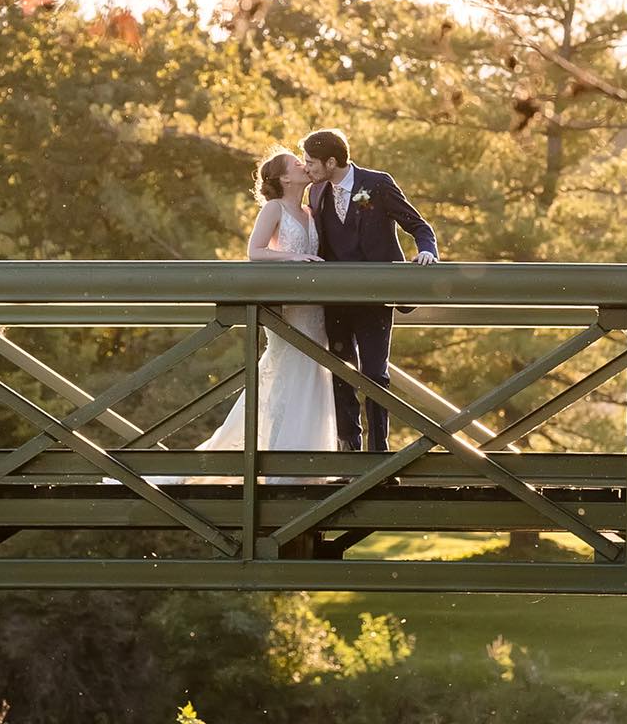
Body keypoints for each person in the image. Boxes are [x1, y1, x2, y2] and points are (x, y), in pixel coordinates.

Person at [170, 151, 336, 479]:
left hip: (314, 310)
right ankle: (278, 470)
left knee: (314, 378)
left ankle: (309, 469)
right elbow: (255, 252)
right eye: (297, 164)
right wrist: (294, 257)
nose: (304, 165)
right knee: (287, 379)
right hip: (287, 313)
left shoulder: (309, 210)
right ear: (285, 178)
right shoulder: (275, 209)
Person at [301, 128, 437, 453]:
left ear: (331, 161)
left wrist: (427, 250)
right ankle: (350, 453)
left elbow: (418, 225)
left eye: (311, 162)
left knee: (375, 375)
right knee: (339, 373)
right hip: (335, 299)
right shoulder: (316, 191)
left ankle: (379, 456)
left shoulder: (377, 184)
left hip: (376, 300)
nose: (307, 168)